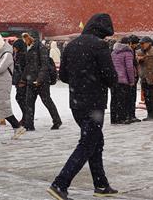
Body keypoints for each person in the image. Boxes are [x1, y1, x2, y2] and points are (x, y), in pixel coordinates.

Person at [47, 13, 118, 200]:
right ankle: (60, 183)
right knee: (87, 143)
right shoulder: (100, 46)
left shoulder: (70, 45)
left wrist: (79, 81)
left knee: (95, 140)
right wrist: (100, 81)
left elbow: (63, 75)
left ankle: (101, 184)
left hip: (76, 102)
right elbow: (110, 76)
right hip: (94, 103)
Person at [22, 32, 62, 131]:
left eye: (26, 37)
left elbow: (44, 65)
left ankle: (57, 121)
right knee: (29, 102)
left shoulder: (41, 48)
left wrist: (39, 79)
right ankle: (29, 124)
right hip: (31, 79)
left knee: (47, 101)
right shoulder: (28, 48)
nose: (24, 40)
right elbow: (28, 65)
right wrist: (23, 79)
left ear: (31, 37)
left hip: (42, 81)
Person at [110, 37, 135, 125]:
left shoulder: (113, 52)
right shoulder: (127, 53)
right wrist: (132, 80)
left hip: (114, 79)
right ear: (128, 44)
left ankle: (113, 118)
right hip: (123, 80)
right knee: (123, 100)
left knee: (114, 100)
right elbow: (129, 68)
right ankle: (122, 118)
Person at [137, 37, 153, 120]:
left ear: (149, 43)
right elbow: (136, 62)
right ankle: (149, 114)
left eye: (143, 43)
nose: (142, 45)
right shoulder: (139, 52)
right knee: (147, 97)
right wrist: (139, 59)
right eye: (141, 43)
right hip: (144, 77)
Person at [12, 38, 28, 125]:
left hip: (22, 82)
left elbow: (24, 69)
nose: (13, 49)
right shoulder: (18, 54)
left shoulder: (22, 55)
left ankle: (26, 117)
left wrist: (22, 80)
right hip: (19, 81)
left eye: (14, 47)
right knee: (21, 98)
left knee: (20, 98)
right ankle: (26, 117)